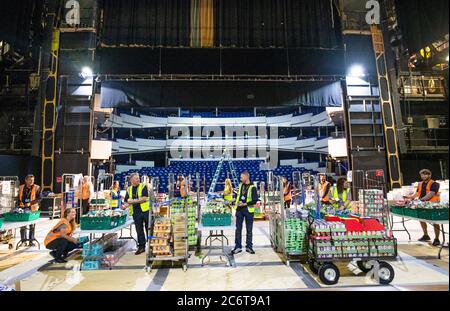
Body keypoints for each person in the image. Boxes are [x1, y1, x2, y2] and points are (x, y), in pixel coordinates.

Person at [404, 169, 441, 246]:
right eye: (422, 174)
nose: (423, 176)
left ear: (429, 175)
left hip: (433, 205)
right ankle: (426, 235)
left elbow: (431, 194)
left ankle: (437, 239)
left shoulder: (434, 184)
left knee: (435, 222)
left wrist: (420, 200)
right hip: (423, 205)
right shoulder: (420, 184)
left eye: (425, 174)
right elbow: (417, 193)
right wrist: (409, 197)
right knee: (421, 219)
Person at [232, 171, 258, 255]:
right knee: (238, 229)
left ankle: (249, 247)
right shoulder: (240, 185)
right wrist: (234, 201)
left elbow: (255, 200)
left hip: (248, 210)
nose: (240, 179)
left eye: (241, 177)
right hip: (239, 210)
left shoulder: (252, 187)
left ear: (246, 177)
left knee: (249, 230)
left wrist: (245, 203)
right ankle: (238, 247)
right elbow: (238, 196)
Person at [123, 173, 150, 255]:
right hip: (136, 212)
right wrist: (125, 206)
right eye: (136, 178)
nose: (138, 180)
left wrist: (133, 201)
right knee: (139, 230)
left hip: (145, 211)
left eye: (138, 178)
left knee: (148, 228)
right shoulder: (129, 189)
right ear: (131, 180)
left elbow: (144, 198)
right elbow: (127, 201)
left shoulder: (143, 186)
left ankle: (151, 246)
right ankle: (141, 247)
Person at [18, 174, 43, 247]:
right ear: (26, 180)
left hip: (33, 209)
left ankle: (31, 241)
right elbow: (17, 197)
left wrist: (30, 203)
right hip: (22, 208)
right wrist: (20, 203)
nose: (32, 181)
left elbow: (40, 198)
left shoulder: (37, 187)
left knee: (32, 225)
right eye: (30, 180)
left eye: (33, 180)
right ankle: (23, 241)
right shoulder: (21, 187)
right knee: (22, 225)